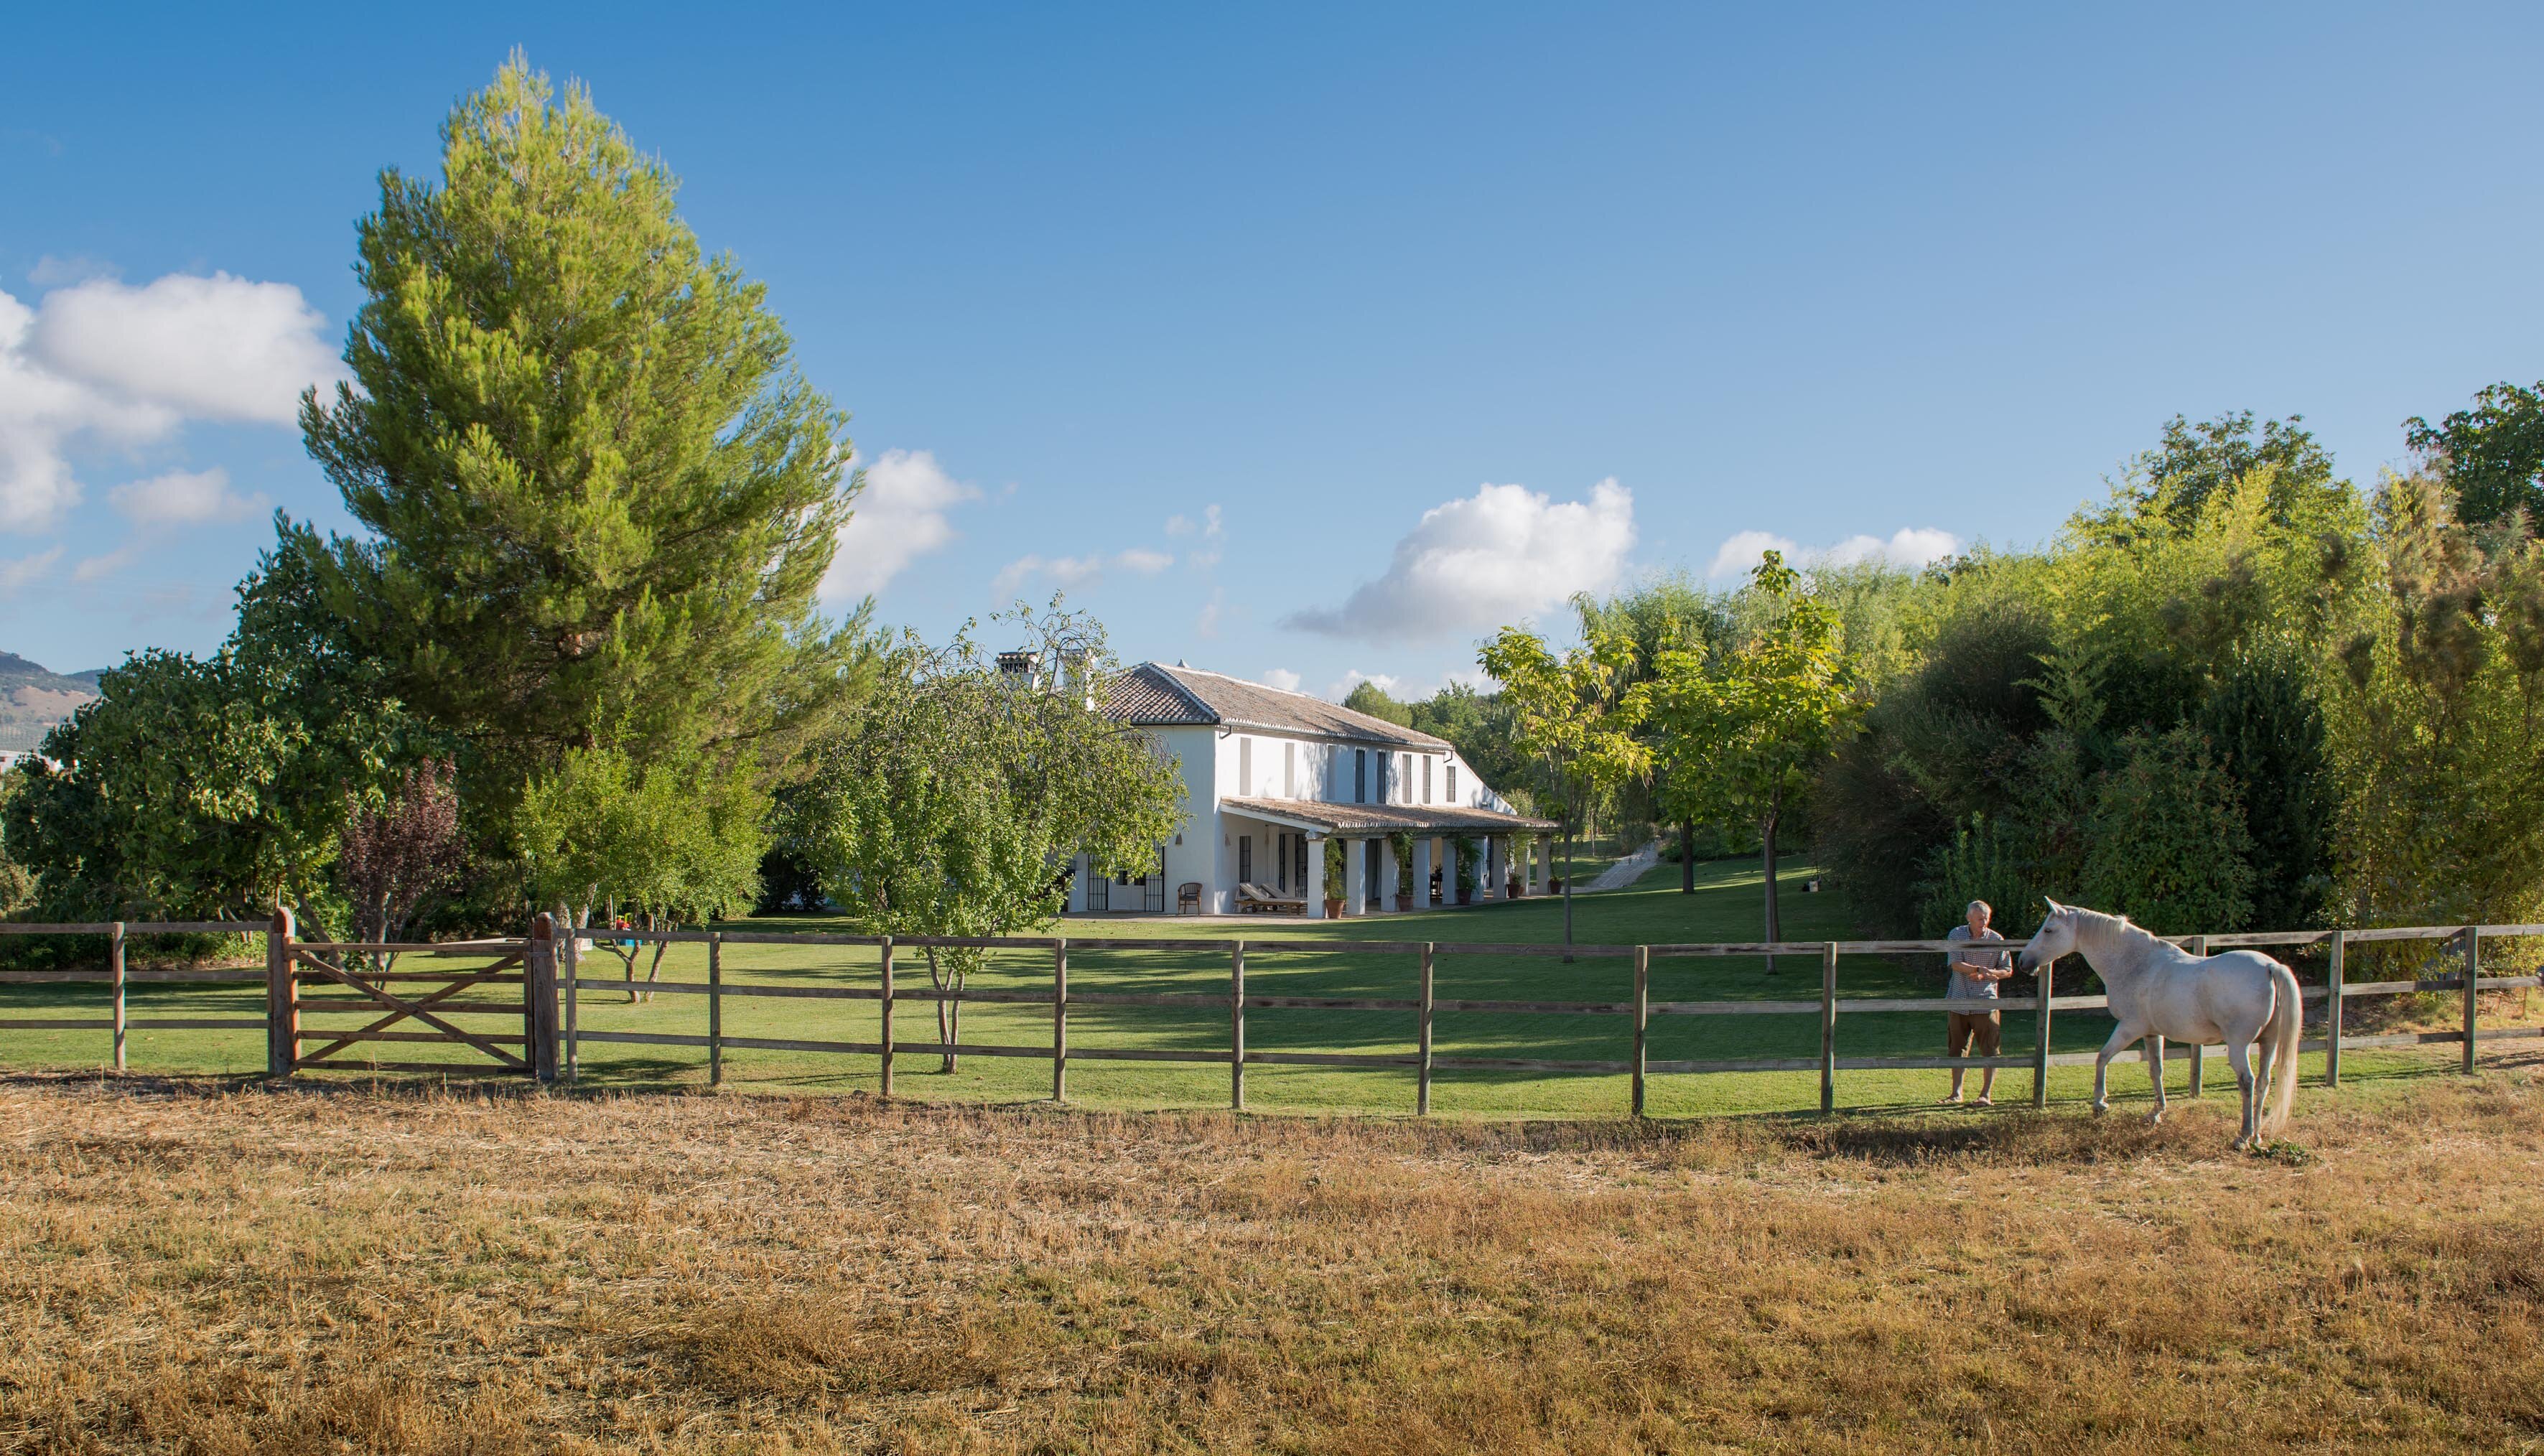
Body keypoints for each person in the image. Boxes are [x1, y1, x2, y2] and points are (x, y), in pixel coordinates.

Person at [1942, 899, 2013, 1106]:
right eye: (1980, 919)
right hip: (1959, 999)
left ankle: (1985, 1095)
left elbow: (2007, 970)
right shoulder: (1957, 934)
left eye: (1987, 918)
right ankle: (1956, 1094)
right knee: (1957, 1048)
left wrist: (1990, 974)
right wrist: (1977, 970)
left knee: (1990, 1047)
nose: (1984, 922)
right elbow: (1955, 963)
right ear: (1969, 918)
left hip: (1985, 1001)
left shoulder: (1997, 939)